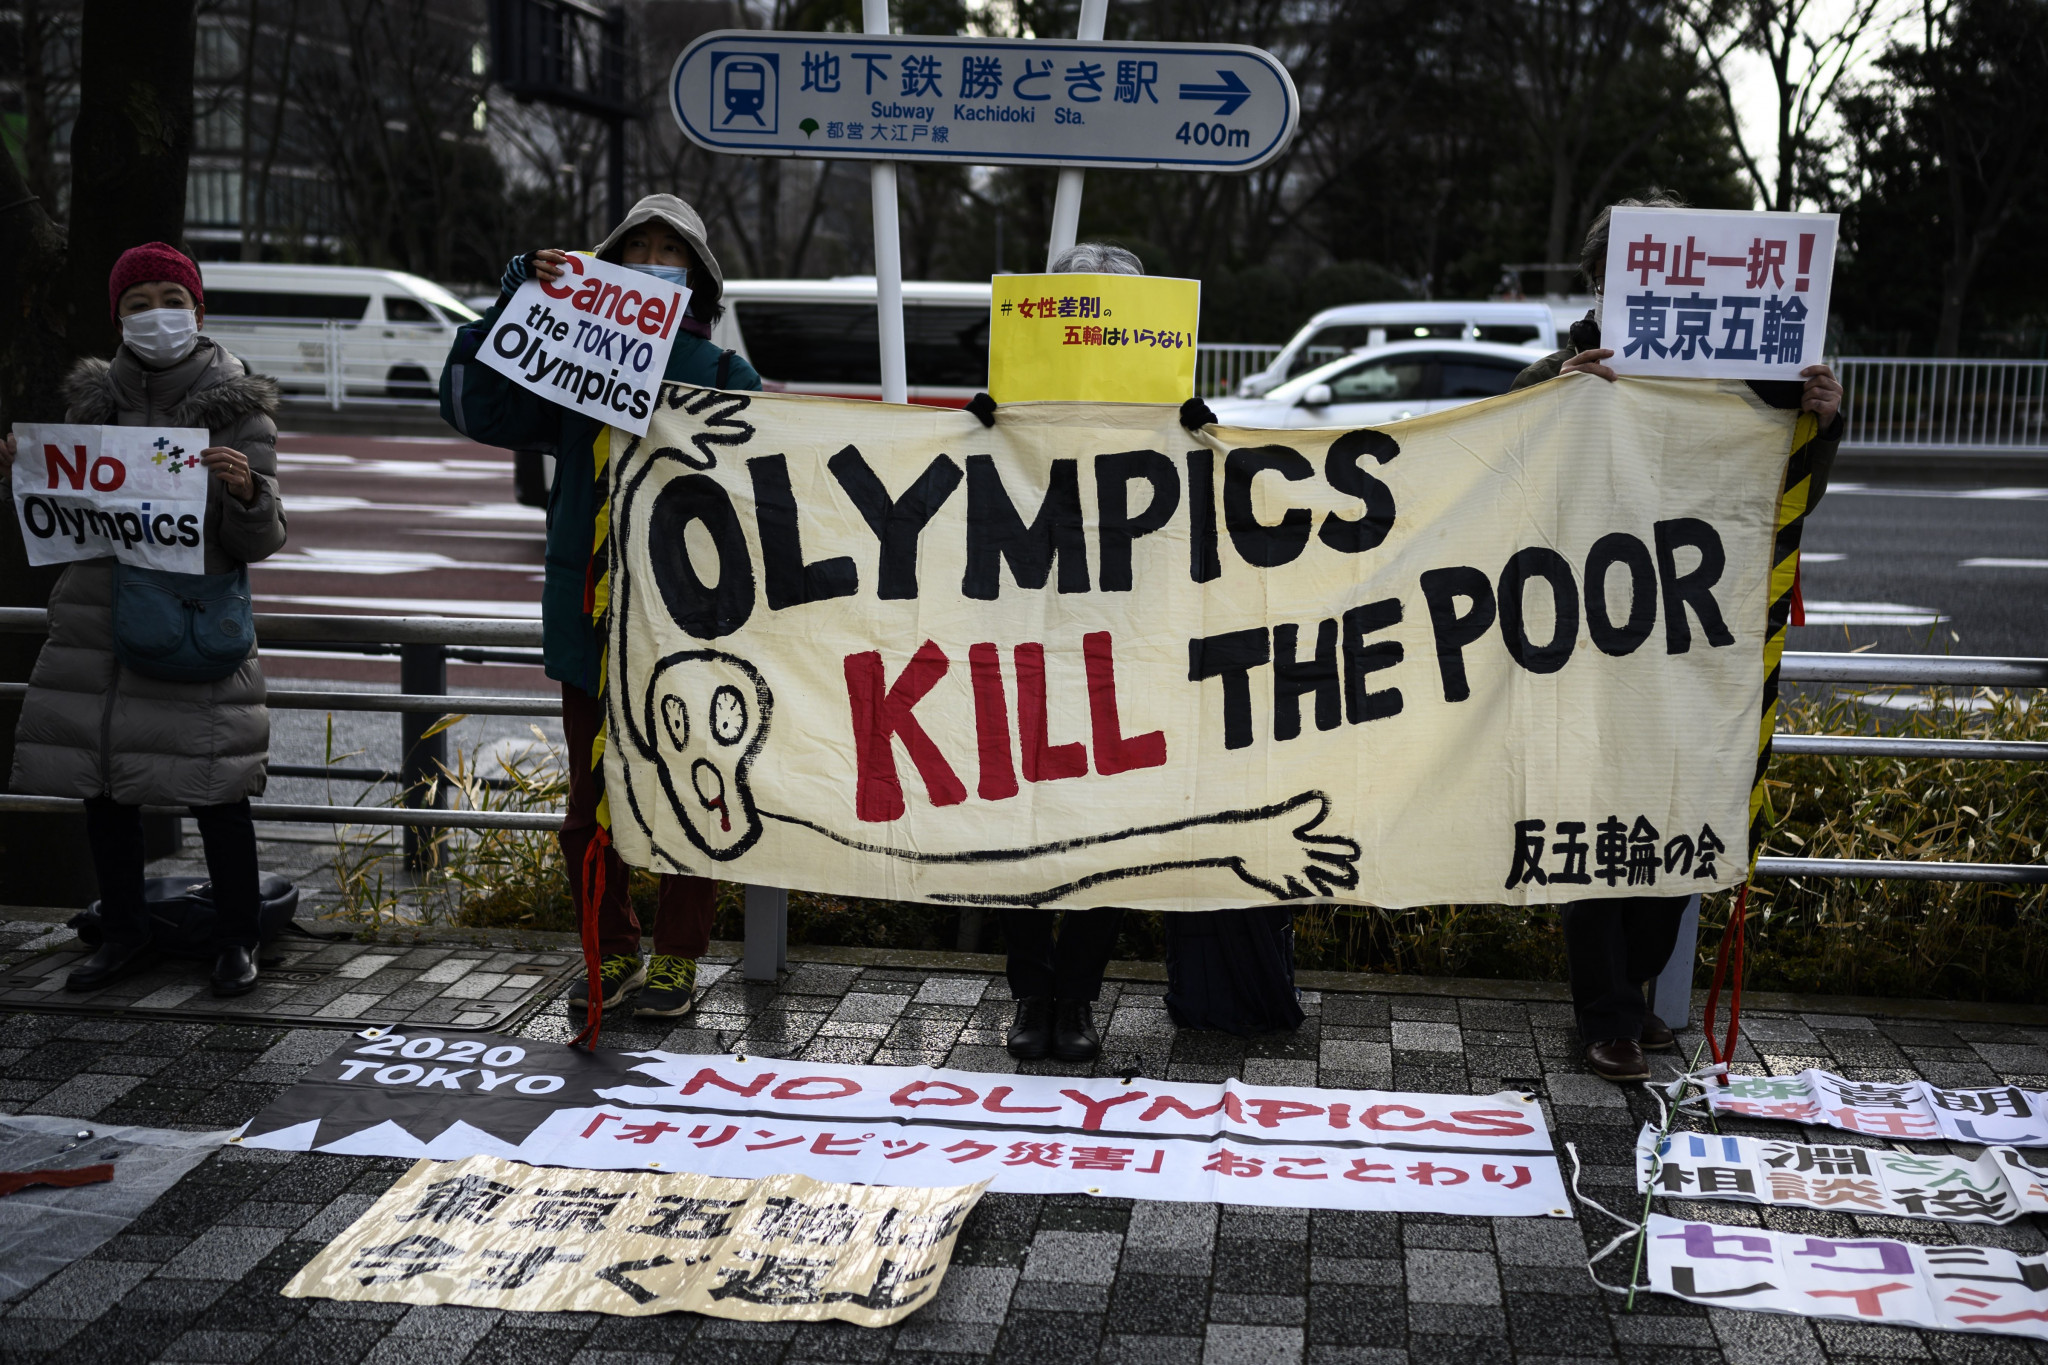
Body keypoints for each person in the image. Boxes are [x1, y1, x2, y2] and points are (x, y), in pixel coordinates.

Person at [1513, 194, 1845, 1082]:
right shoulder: (1570, 362)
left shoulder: (1755, 372)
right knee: (1593, 818)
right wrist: (1556, 392)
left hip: (1701, 639)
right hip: (1588, 632)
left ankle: (1634, 989)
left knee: (1682, 808)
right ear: (1599, 279)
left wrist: (1823, 416)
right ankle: (1608, 1014)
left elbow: (1785, 499)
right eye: (1625, 269)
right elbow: (1501, 461)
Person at [441, 195, 760, 1021]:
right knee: (591, 806)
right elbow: (471, 403)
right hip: (588, 621)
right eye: (637, 248)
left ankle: (677, 960)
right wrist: (521, 297)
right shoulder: (570, 369)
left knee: (693, 792)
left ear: (698, 281)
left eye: (671, 251)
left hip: (691, 624)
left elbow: (775, 476)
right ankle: (610, 948)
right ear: (607, 269)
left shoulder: (726, 374)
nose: (653, 260)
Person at [6, 242, 286, 997]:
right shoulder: (91, 407)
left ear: (198, 309)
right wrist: (26, 475)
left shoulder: (237, 406)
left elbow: (260, 539)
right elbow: (62, 523)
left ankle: (237, 936)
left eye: (171, 297)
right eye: (138, 302)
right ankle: (122, 930)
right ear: (117, 316)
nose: (155, 314)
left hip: (193, 621)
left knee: (218, 790)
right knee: (106, 785)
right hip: (102, 624)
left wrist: (247, 495)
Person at [1003, 240, 1147, 1064]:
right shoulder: (1013, 408)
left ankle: (1079, 996)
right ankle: (1031, 991)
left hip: (1126, 650)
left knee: (1103, 831)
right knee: (1024, 824)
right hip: (1025, 642)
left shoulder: (1165, 414)